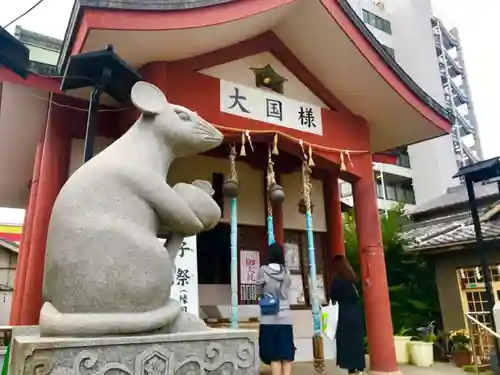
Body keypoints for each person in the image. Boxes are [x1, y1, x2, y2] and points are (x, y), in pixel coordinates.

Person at [256, 243, 295, 375]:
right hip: (285, 317)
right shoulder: (286, 272)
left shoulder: (263, 270)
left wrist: (266, 294)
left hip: (269, 317)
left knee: (274, 355)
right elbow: (287, 290)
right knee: (286, 354)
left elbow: (258, 291)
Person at [329, 255, 366, 375]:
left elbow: (333, 297)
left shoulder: (337, 281)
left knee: (347, 343)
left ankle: (351, 370)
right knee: (356, 342)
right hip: (356, 313)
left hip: (344, 314)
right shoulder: (353, 280)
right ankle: (359, 369)